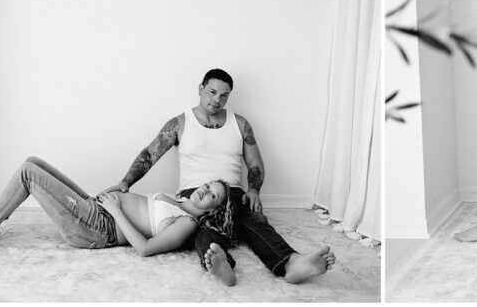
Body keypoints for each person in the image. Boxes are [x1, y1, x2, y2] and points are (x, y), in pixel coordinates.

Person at [98, 69, 336, 286]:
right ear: (200, 89)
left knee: (254, 221)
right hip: (195, 195)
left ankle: (291, 263)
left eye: (224, 95)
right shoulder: (180, 123)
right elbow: (150, 154)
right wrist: (126, 183)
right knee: (203, 231)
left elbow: (254, 163)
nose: (217, 100)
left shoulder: (240, 123)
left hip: (232, 193)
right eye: (212, 92)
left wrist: (254, 190)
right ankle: (222, 265)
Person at [0, 156, 230, 259]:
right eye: (208, 185)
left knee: (27, 173)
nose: (205, 191)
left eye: (213, 196)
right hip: (96, 208)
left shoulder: (187, 224)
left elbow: (144, 249)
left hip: (96, 228)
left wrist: (117, 211)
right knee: (34, 161)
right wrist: (118, 193)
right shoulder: (179, 200)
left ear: (213, 210)